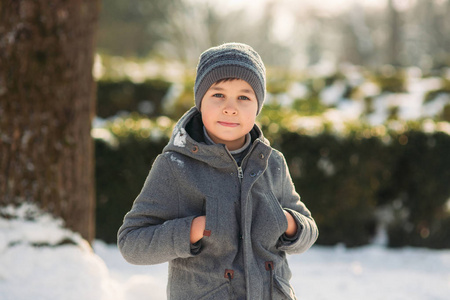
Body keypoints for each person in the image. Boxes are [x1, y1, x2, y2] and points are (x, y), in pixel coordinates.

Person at [117, 42, 319, 300]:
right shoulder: (175, 166)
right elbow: (131, 243)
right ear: (200, 102)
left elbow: (309, 230)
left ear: (257, 106)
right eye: (218, 95)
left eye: (244, 97)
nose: (230, 107)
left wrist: (289, 223)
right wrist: (194, 229)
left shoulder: (272, 163)